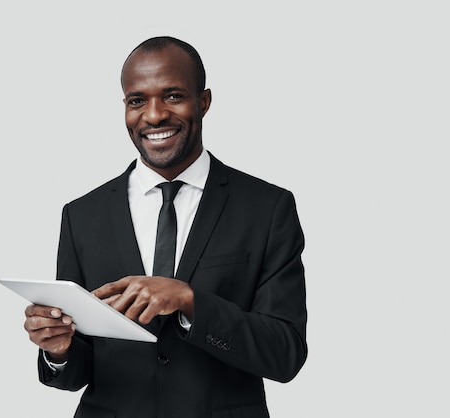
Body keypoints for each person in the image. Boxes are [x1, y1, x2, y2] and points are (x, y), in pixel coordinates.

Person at [23, 36, 307, 418]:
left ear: (203, 102)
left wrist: (190, 300)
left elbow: (285, 354)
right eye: (137, 101)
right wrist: (58, 350)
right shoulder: (81, 215)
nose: (154, 116)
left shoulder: (267, 208)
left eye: (172, 96)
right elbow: (78, 370)